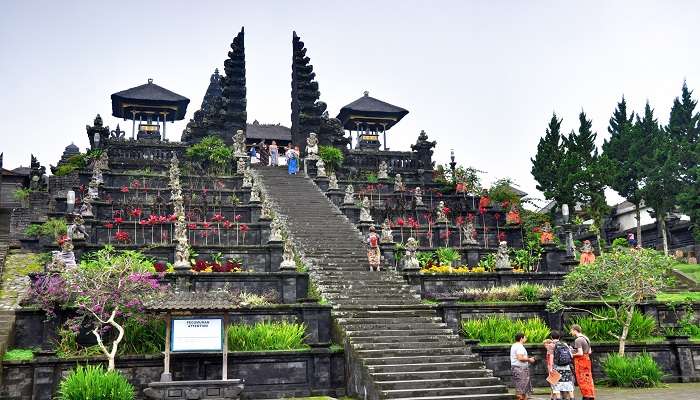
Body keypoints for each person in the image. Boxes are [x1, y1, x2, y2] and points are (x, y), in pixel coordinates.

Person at [570, 324, 595, 400]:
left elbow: (580, 353)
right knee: (588, 378)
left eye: (571, 331)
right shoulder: (586, 338)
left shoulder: (578, 340)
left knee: (582, 379)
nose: (571, 332)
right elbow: (589, 351)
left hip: (581, 362)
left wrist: (572, 354)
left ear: (575, 330)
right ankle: (591, 395)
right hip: (587, 360)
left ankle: (586, 396)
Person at [547, 331, 574, 399]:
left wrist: (550, 368)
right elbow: (571, 355)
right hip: (566, 367)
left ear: (551, 337)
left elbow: (551, 357)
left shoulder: (551, 345)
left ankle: (558, 398)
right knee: (568, 382)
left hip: (557, 367)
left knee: (556, 384)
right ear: (559, 337)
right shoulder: (564, 344)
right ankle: (572, 397)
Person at [510, 332, 535, 400]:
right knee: (522, 387)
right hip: (520, 368)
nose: (526, 338)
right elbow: (520, 358)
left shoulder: (514, 345)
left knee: (521, 386)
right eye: (525, 337)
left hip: (516, 367)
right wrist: (529, 359)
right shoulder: (519, 346)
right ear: (521, 338)